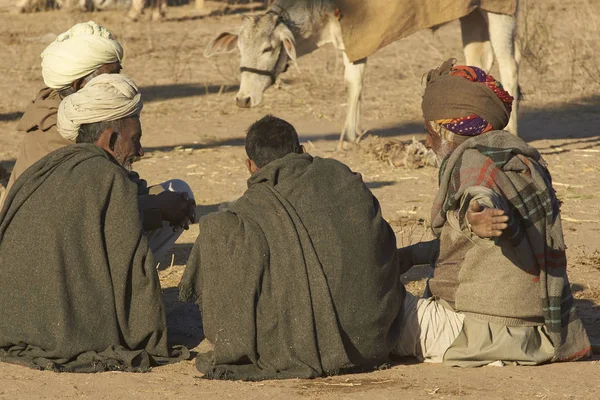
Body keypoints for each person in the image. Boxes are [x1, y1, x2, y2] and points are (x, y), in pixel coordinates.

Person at [393, 59, 591, 366]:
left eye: (428, 131)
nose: (426, 142)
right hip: (535, 337)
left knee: (368, 306)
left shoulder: (471, 161)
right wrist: (409, 256)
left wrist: (479, 215)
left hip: (474, 334)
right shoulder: (520, 160)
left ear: (445, 132)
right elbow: (469, 248)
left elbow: (480, 195)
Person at [179, 115, 405, 380]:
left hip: (302, 349)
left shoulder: (246, 214)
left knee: (217, 229)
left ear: (250, 166)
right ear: (302, 151)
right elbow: (383, 247)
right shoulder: (344, 178)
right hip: (376, 340)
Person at [0, 74, 190, 372]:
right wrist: (146, 334)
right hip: (61, 328)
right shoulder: (106, 178)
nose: (140, 151)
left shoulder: (44, 168)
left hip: (10, 319)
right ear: (111, 138)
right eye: (135, 139)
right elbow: (130, 269)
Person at [0, 21, 195, 261]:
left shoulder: (69, 109)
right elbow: (93, 214)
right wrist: (161, 207)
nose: (118, 79)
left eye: (118, 72)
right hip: (45, 256)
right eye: (111, 74)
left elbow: (120, 187)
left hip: (73, 230)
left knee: (177, 191)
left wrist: (167, 200)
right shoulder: (63, 131)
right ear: (79, 84)